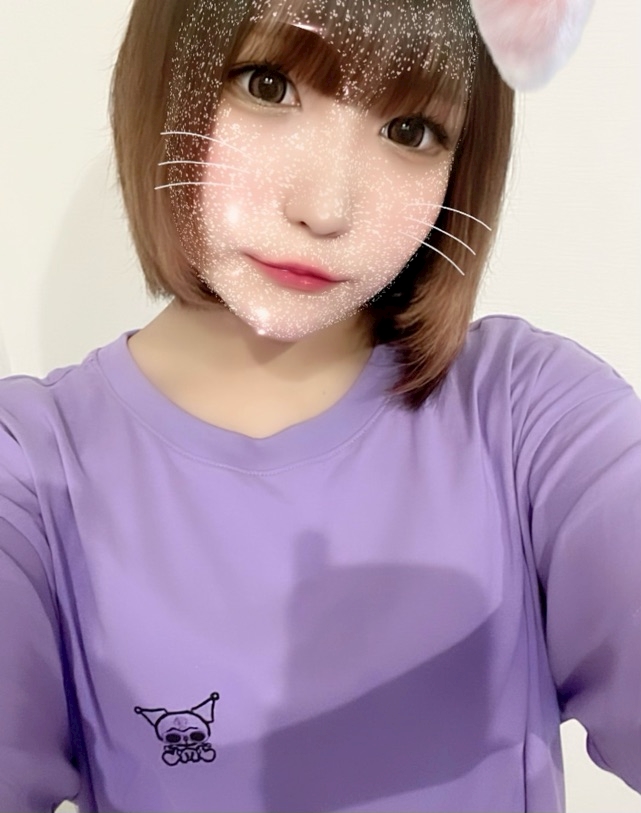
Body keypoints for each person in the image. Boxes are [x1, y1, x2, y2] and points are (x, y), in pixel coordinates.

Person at [0, 0, 639, 811]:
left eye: (409, 131)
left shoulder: (528, 416)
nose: (325, 207)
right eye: (266, 85)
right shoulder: (31, 476)